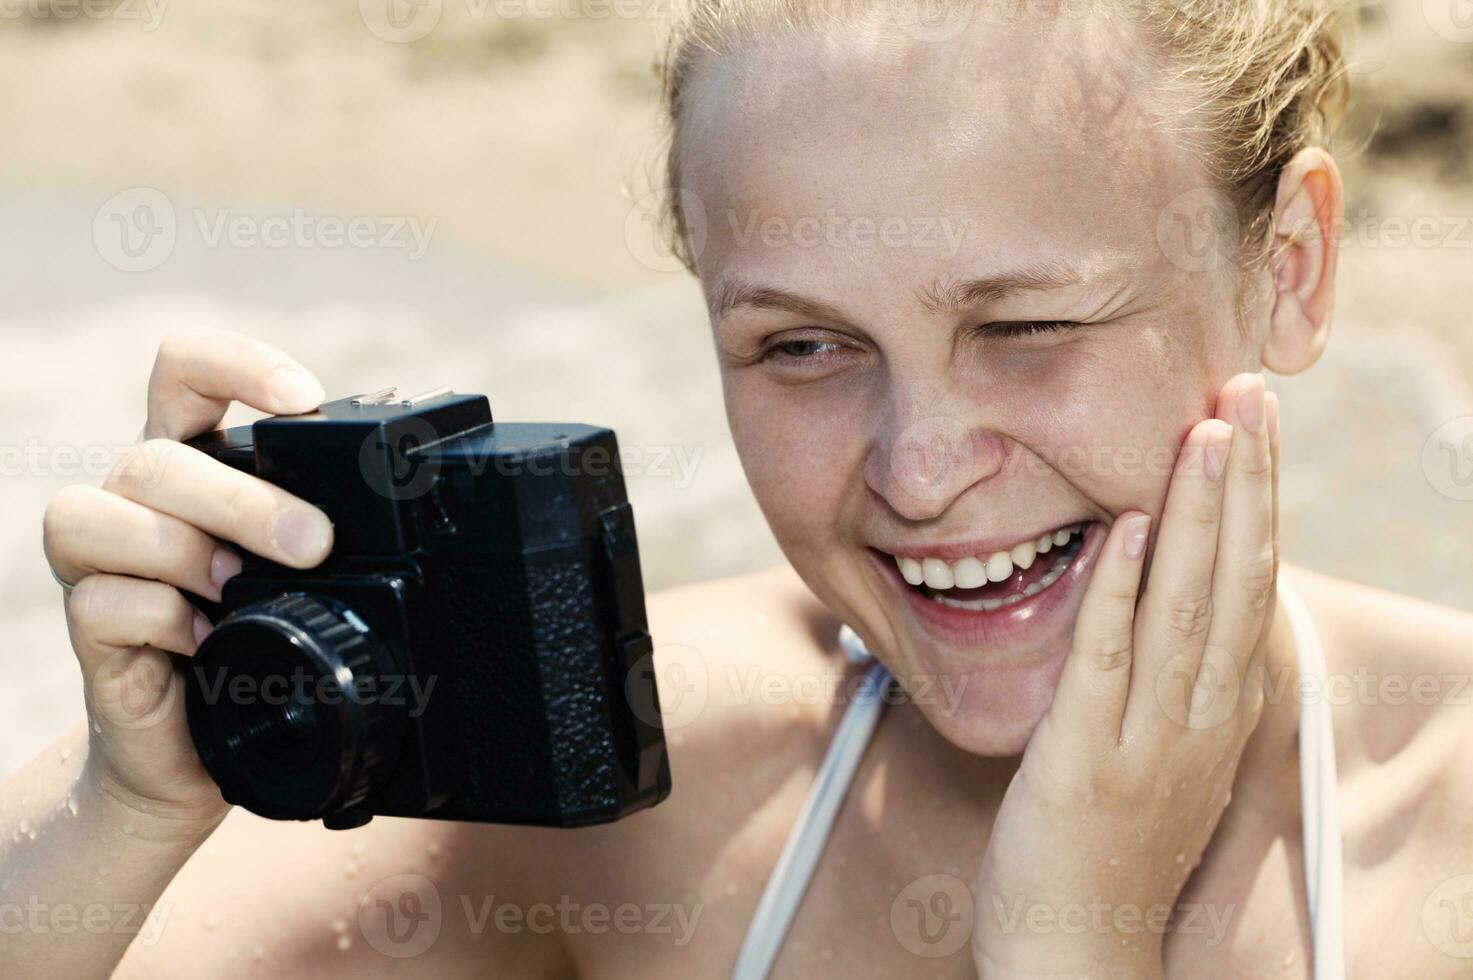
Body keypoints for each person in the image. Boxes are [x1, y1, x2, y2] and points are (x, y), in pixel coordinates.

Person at [8, 1, 1473, 976]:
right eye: (803, 346)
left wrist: (1071, 940)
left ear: (1286, 267)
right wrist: (122, 810)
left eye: (1026, 327)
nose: (915, 468)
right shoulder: (644, 782)